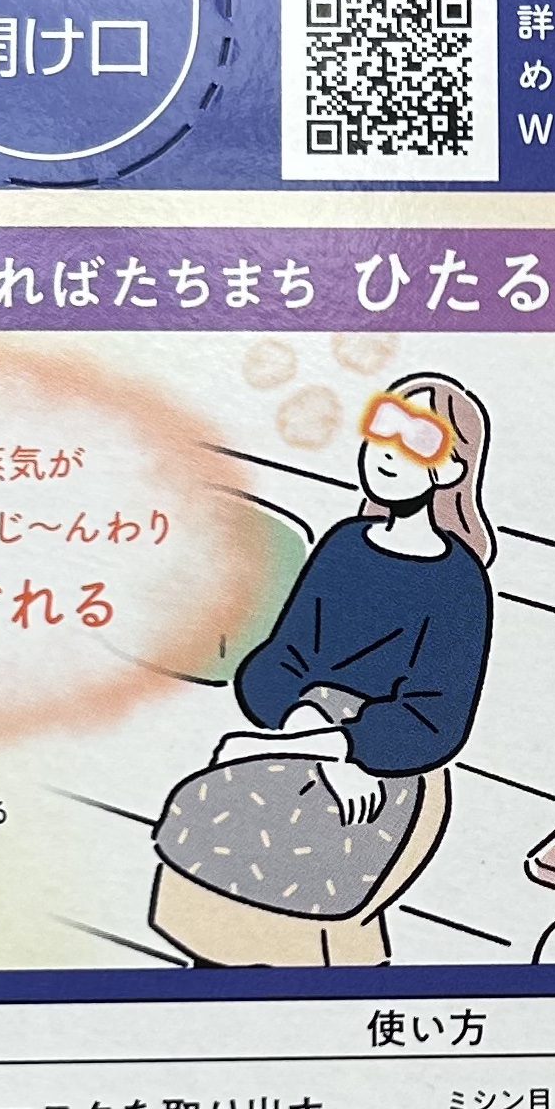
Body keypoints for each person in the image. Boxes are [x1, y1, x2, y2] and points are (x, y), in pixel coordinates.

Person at [152, 374, 494, 919]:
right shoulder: (344, 545)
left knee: (308, 864)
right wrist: (300, 724)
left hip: (387, 767)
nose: (389, 453)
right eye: (383, 427)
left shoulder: (459, 582)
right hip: (300, 735)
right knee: (198, 819)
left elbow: (436, 717)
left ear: (451, 468)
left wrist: (343, 750)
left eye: (417, 439)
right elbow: (280, 659)